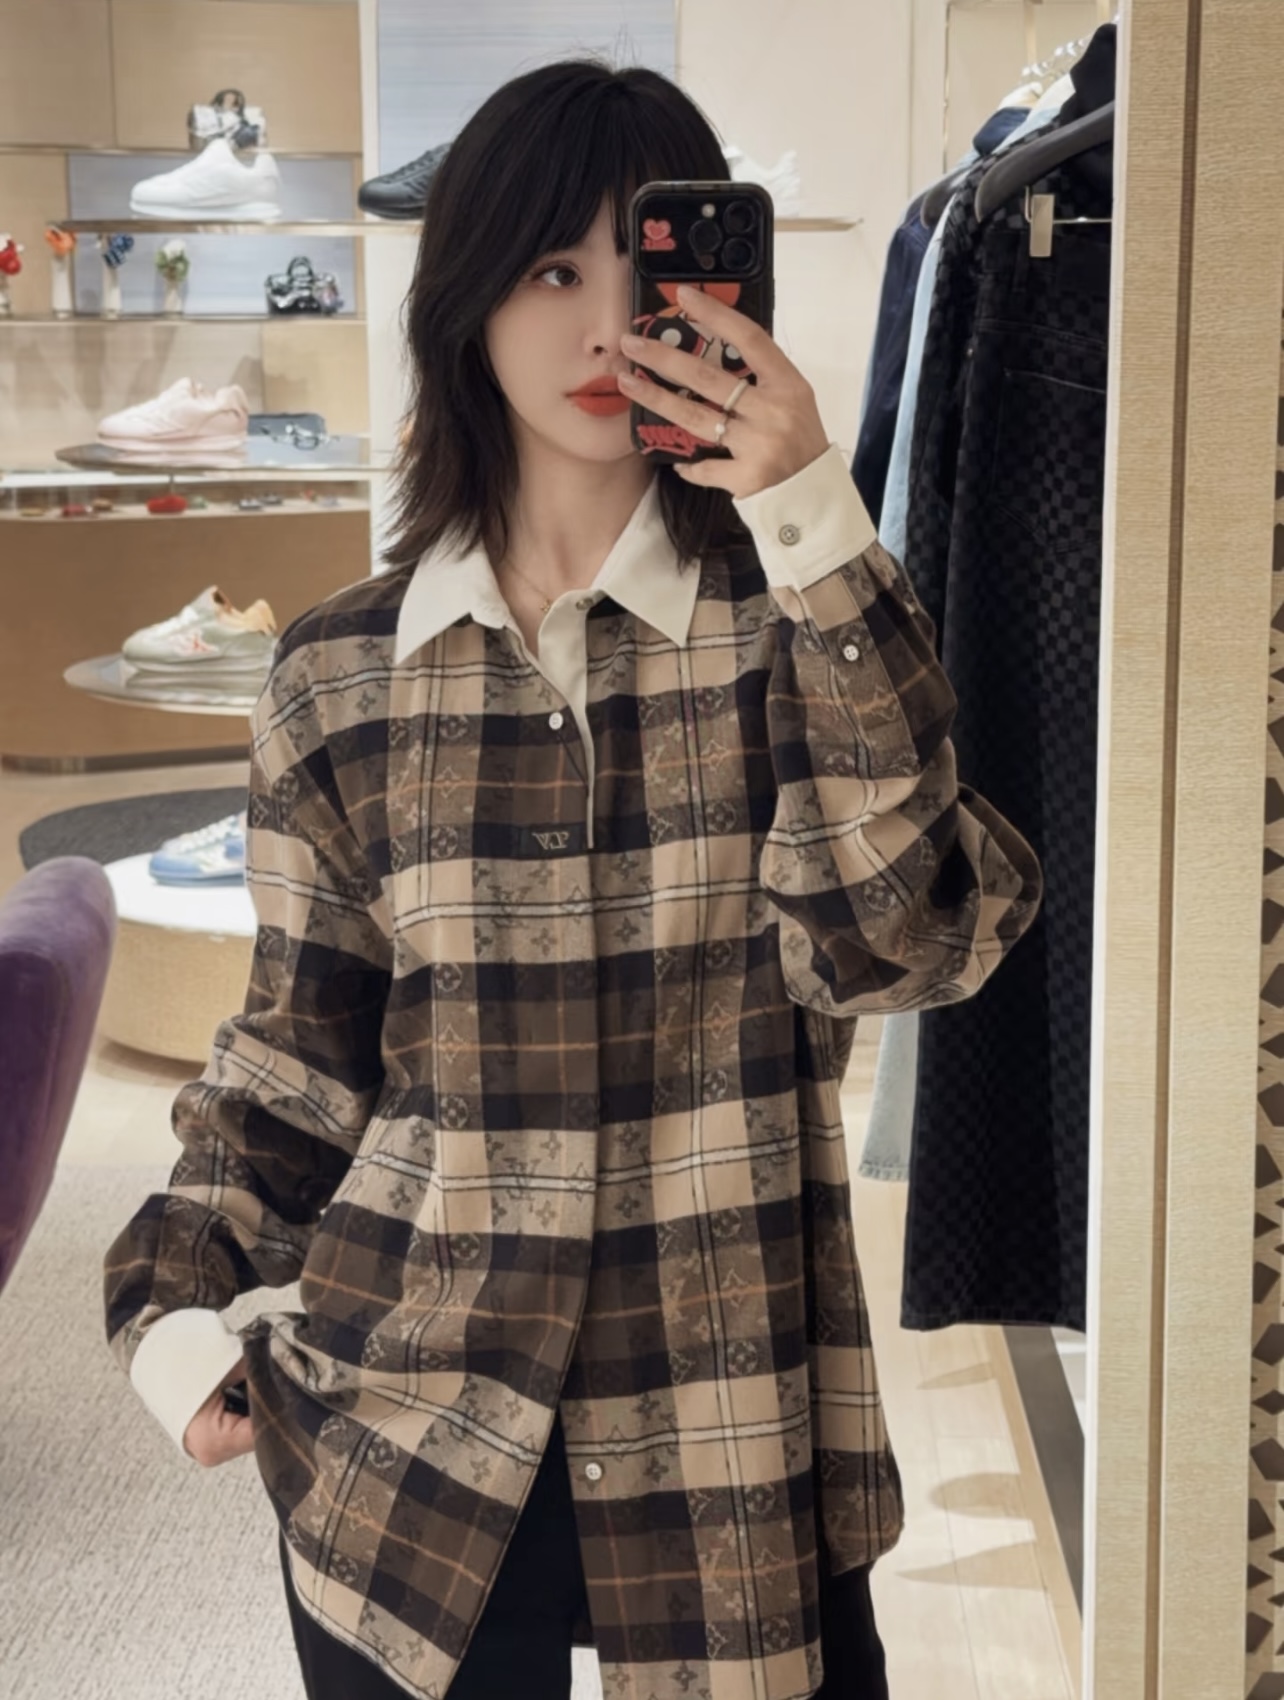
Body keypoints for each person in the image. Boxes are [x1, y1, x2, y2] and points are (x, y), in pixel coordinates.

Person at [103, 58, 1043, 1700]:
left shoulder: (799, 624)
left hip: (732, 1442)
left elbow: (902, 945)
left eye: (646, 265)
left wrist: (815, 516)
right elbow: (301, 1053)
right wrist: (175, 1302)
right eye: (551, 269)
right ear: (467, 300)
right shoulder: (341, 673)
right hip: (410, 1448)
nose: (608, 325)